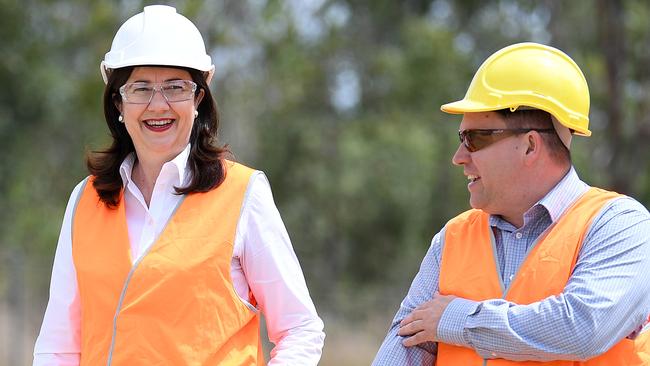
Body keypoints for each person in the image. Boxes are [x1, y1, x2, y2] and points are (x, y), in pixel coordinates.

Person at [33, 5, 324, 365]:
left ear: (198, 98)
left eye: (176, 87)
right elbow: (59, 346)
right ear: (118, 101)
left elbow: (300, 329)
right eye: (140, 88)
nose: (159, 104)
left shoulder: (243, 193)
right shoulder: (84, 199)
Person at [373, 42, 650, 365]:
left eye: (474, 139)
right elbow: (404, 347)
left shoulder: (621, 225)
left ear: (530, 146)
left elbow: (581, 327)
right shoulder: (452, 239)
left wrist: (457, 320)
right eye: (460, 140)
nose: (459, 157)